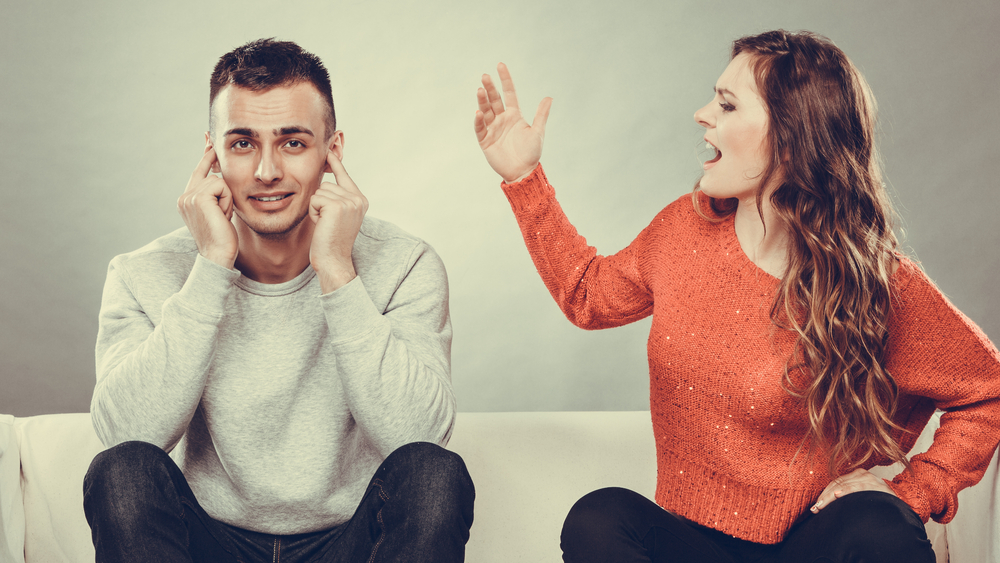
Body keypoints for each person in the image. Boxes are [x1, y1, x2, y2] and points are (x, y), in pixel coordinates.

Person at [473, 30, 1000, 562]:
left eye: (727, 104)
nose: (702, 115)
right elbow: (587, 294)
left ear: (791, 138)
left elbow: (988, 390)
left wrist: (916, 490)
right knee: (599, 517)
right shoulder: (683, 231)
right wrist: (525, 177)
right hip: (691, 545)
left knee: (879, 523)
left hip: (812, 543)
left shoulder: (877, 282)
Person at [84, 38, 474, 563]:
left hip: (351, 544)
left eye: (292, 142)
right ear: (212, 155)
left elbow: (421, 438)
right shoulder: (144, 273)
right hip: (210, 544)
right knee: (121, 473)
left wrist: (336, 270)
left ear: (332, 152)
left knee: (434, 475)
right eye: (243, 143)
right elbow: (123, 438)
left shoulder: (405, 264)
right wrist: (211, 265)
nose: (267, 171)